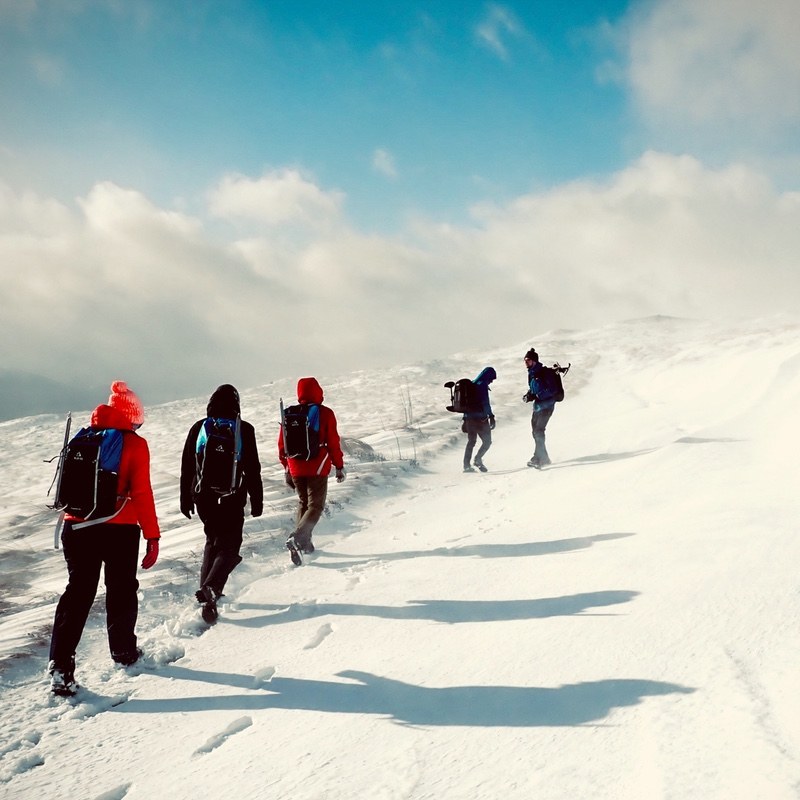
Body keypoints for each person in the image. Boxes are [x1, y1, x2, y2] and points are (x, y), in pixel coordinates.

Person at [48, 381, 160, 696]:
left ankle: (61, 667)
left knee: (78, 593)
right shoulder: (135, 445)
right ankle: (124, 652)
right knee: (121, 590)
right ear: (132, 415)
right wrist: (152, 536)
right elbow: (141, 493)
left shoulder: (83, 437)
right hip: (118, 528)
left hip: (76, 526)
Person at [180, 384, 263, 623]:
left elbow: (187, 466)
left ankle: (208, 594)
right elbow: (253, 468)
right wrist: (257, 501)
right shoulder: (243, 429)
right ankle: (211, 589)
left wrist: (185, 498)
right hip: (232, 496)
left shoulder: (199, 427)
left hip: (203, 495)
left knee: (213, 540)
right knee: (230, 544)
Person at [278, 377, 345, 565]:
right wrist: (339, 465)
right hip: (317, 466)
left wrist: (286, 468)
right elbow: (333, 442)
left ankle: (305, 543)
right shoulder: (325, 413)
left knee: (303, 502)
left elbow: (281, 445)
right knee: (315, 505)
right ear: (318, 391)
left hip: (295, 467)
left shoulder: (289, 414)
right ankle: (298, 538)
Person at [523, 349, 556, 468]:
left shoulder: (545, 373)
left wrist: (537, 395)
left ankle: (537, 458)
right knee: (535, 432)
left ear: (535, 361)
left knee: (538, 431)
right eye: (525, 361)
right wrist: (529, 395)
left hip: (547, 406)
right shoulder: (531, 374)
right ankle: (545, 457)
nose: (526, 363)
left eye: (528, 360)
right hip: (537, 407)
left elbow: (552, 390)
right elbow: (534, 388)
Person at [462, 367, 496, 473]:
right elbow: (485, 403)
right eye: (492, 379)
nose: (491, 381)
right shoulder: (482, 385)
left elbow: (466, 405)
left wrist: (465, 419)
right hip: (480, 419)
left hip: (469, 419)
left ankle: (466, 465)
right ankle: (477, 459)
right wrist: (491, 416)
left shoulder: (472, 384)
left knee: (471, 441)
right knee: (487, 441)